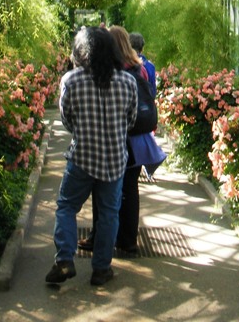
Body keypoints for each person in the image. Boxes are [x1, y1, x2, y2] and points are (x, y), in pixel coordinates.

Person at [45, 26, 137, 287]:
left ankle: (64, 260)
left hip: (82, 158)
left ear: (81, 51)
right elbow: (131, 120)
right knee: (109, 214)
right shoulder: (128, 82)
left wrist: (84, 131)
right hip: (115, 160)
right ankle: (101, 270)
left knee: (66, 207)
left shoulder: (71, 80)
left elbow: (67, 119)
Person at [79, 25, 166, 255]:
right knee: (130, 188)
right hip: (138, 139)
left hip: (116, 138)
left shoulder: (113, 70)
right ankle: (128, 240)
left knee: (103, 187)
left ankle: (100, 236)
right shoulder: (141, 68)